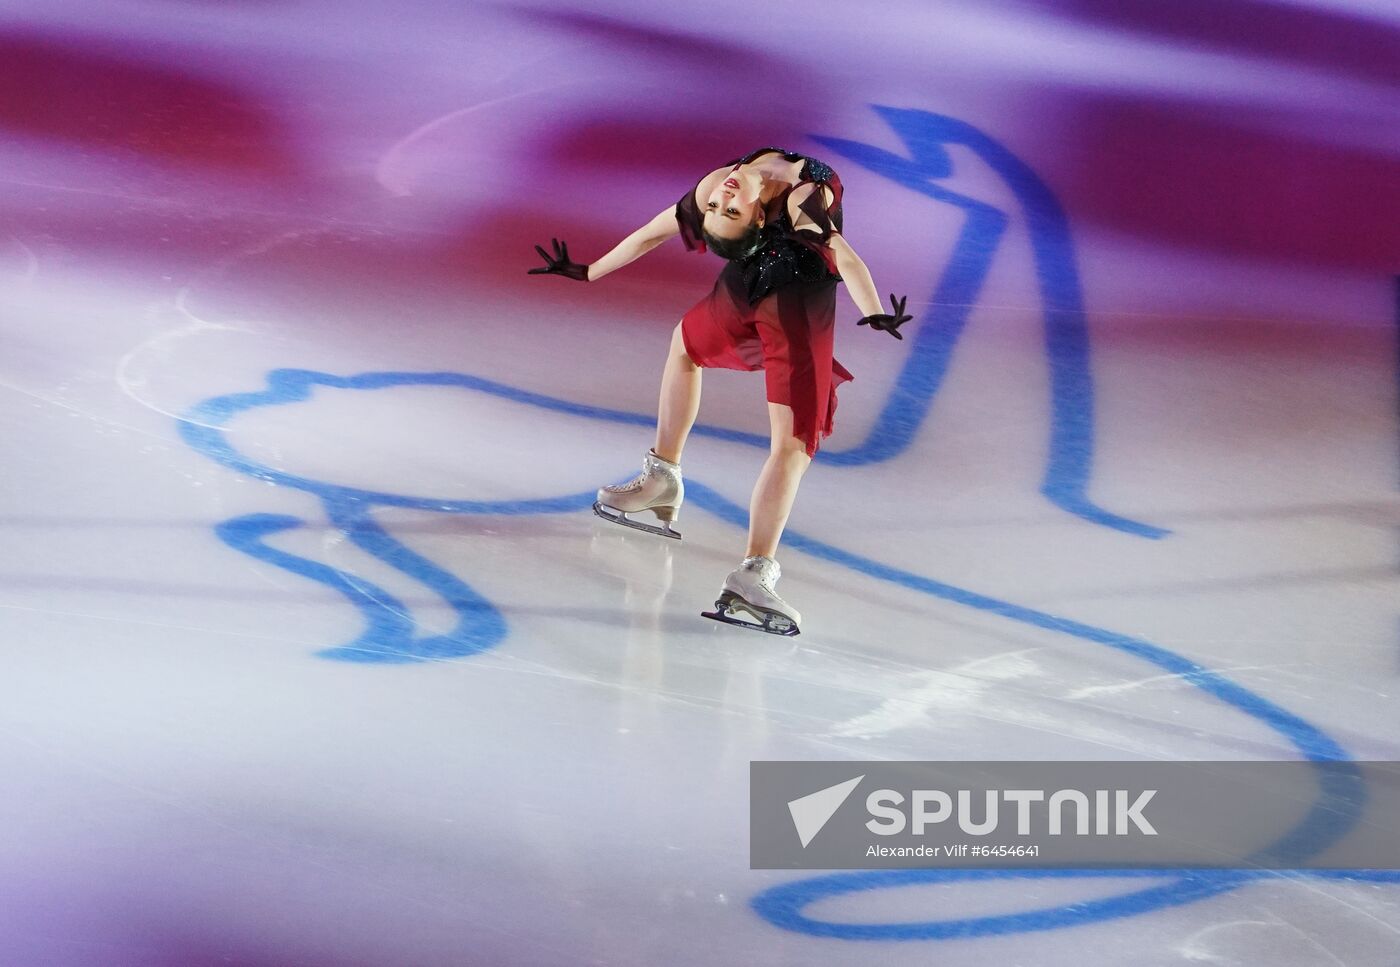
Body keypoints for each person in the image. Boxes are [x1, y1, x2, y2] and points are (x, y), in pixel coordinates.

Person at [530, 146, 909, 635]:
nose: (721, 201)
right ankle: (733, 553)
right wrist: (589, 271)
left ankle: (701, 518)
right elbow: (841, 254)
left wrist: (873, 310)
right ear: (754, 222)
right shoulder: (770, 194)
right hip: (772, 296)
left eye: (722, 210)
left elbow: (654, 233)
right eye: (724, 210)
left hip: (773, 294)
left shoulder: (756, 192)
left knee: (764, 420)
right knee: (784, 436)